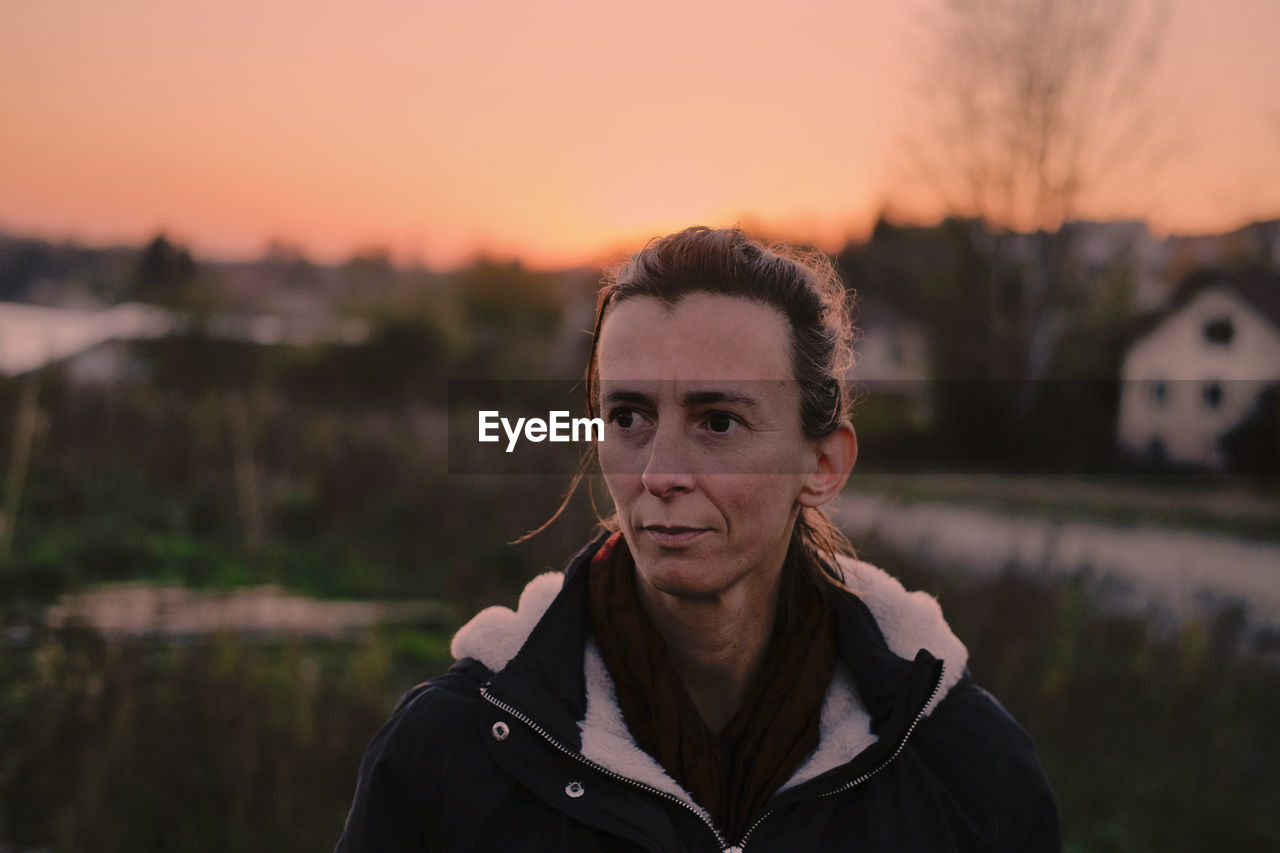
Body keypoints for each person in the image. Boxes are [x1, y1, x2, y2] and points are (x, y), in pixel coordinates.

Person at [335, 226, 1060, 851]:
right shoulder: (449, 754)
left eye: (718, 421)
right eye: (628, 417)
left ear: (823, 463)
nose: (660, 473)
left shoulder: (964, 766)